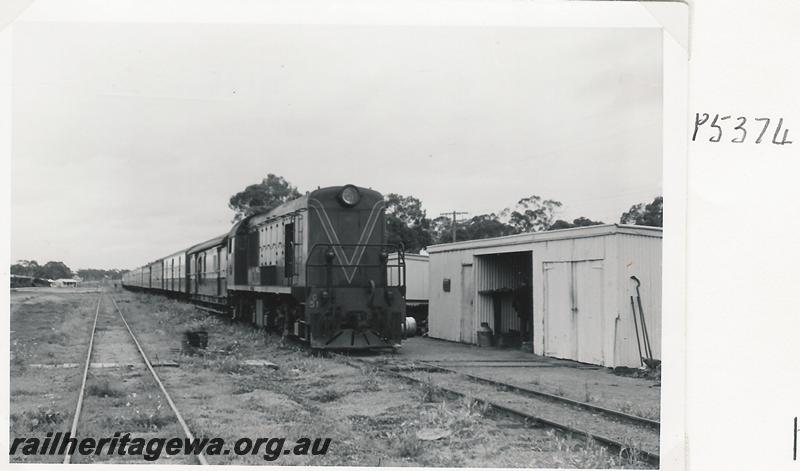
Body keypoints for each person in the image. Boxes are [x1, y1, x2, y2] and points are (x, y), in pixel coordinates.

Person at [512, 274, 532, 340]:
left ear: (522, 283)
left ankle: (522, 338)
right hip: (529, 309)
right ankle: (531, 337)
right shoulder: (530, 290)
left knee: (523, 324)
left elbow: (514, 301)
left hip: (521, 309)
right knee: (531, 324)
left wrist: (516, 309)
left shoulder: (517, 290)